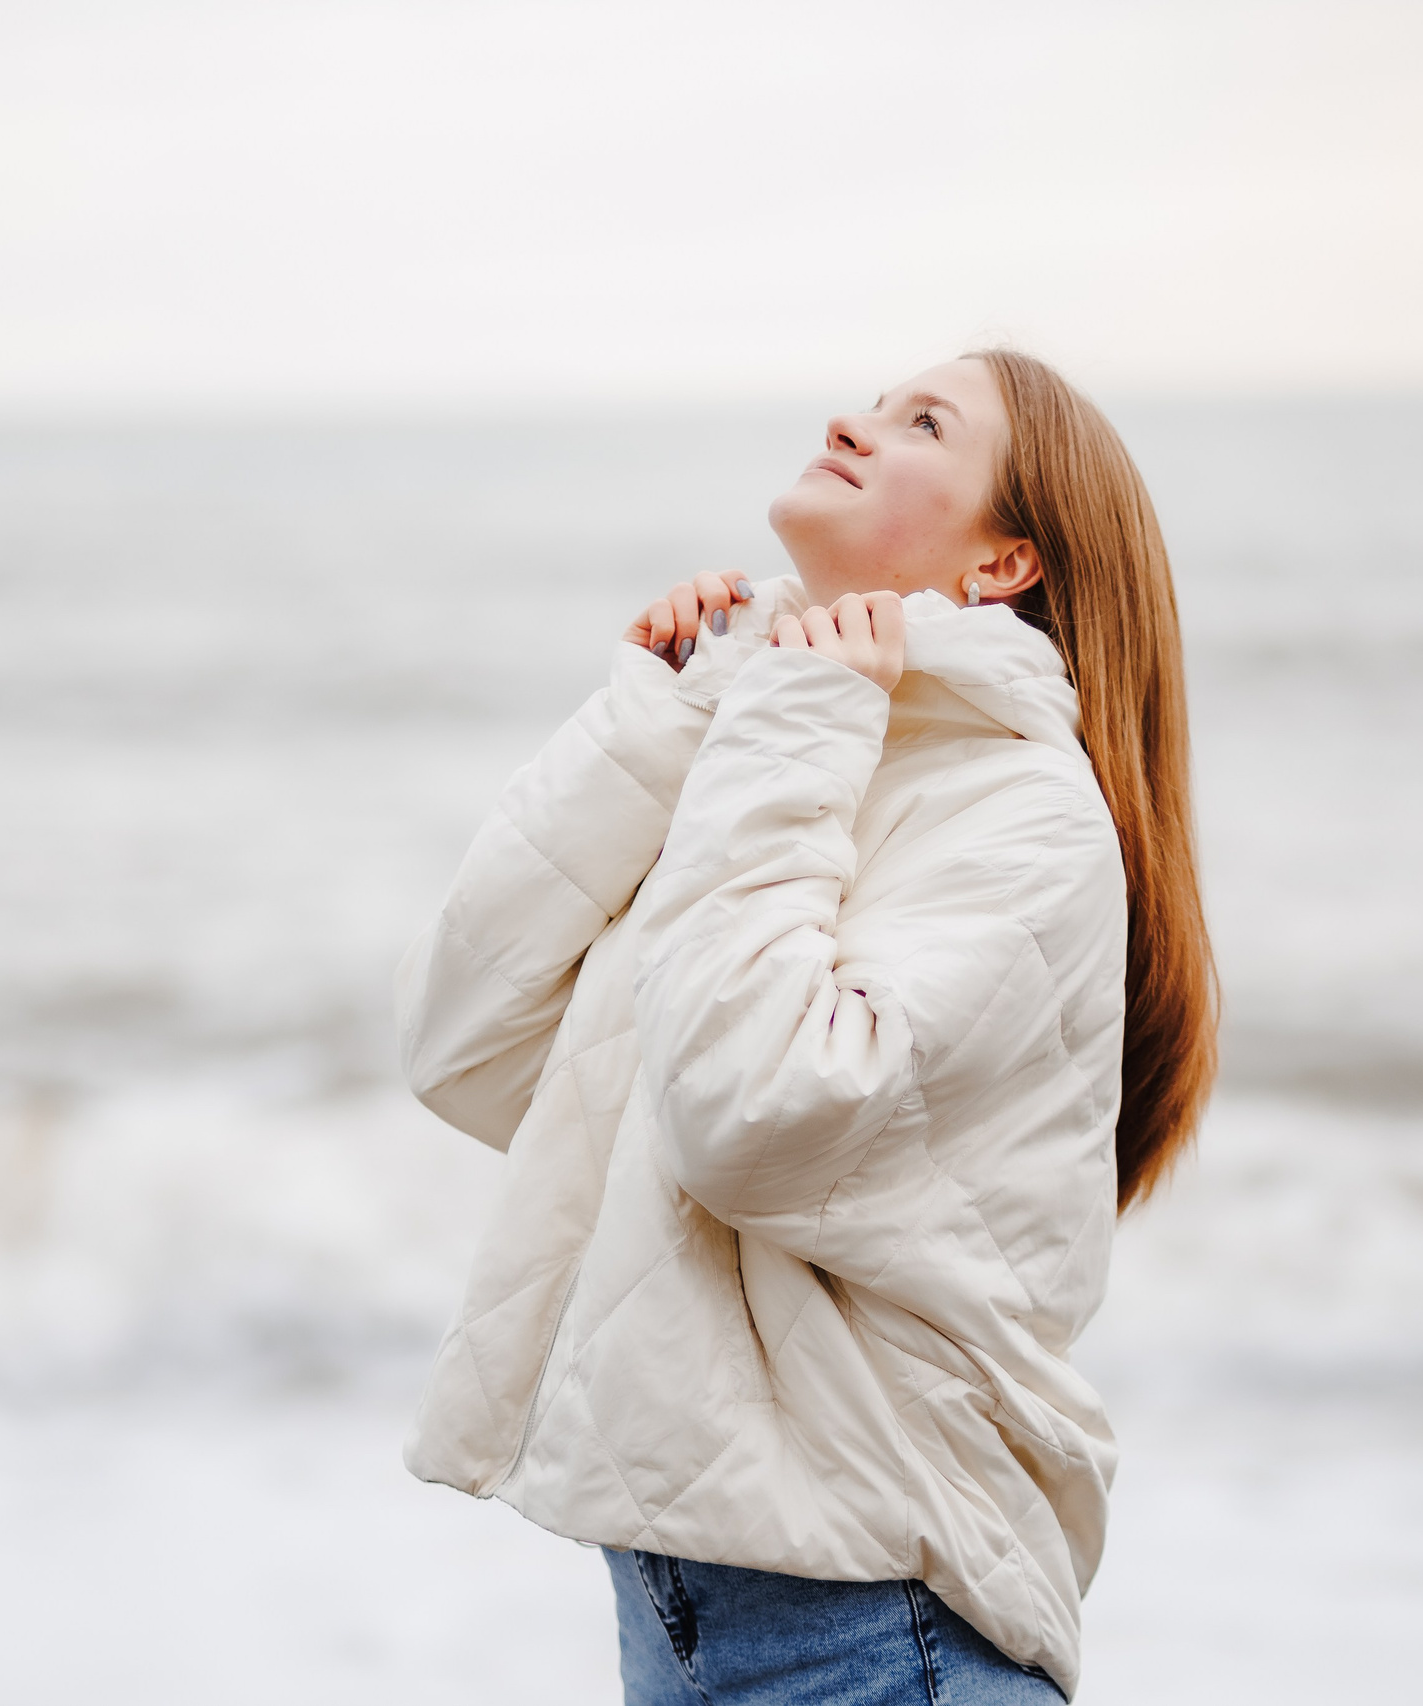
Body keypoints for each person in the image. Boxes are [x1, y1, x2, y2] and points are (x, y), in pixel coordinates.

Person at [395, 348, 1217, 1704]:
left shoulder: (1020, 811)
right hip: (692, 1616)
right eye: (877, 403)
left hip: (875, 1636)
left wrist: (788, 716)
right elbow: (469, 1050)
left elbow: (751, 1113)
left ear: (1005, 562)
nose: (853, 419)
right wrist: (665, 718)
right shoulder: (785, 736)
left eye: (922, 424)